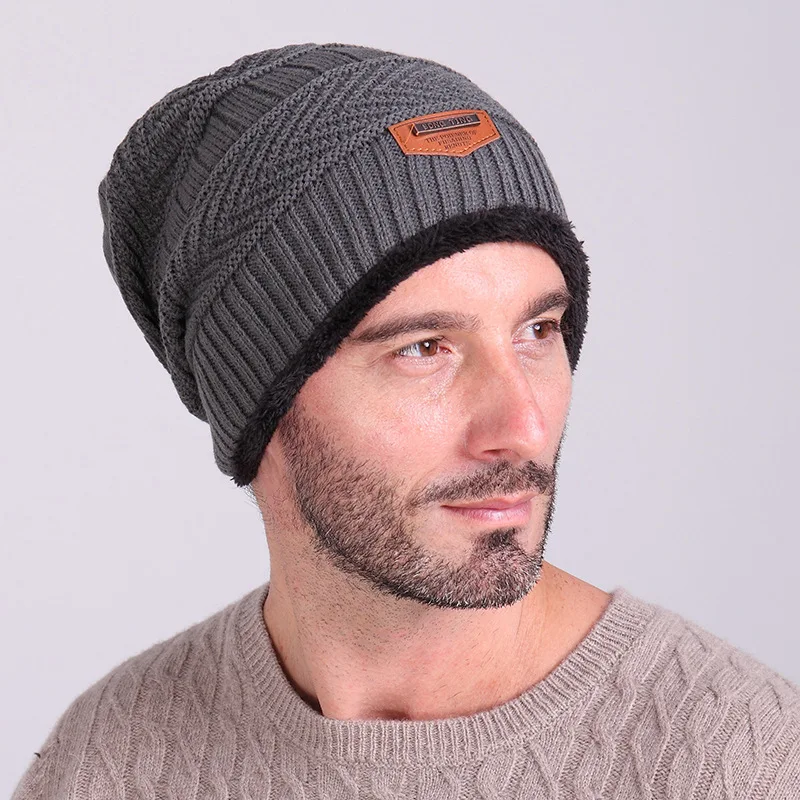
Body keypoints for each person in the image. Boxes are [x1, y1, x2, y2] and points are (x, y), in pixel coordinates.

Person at [12, 43, 800, 800]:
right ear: (261, 398)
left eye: (539, 331)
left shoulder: (741, 761)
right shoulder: (111, 764)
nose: (524, 427)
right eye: (424, 349)